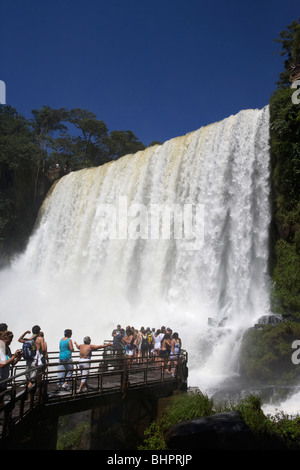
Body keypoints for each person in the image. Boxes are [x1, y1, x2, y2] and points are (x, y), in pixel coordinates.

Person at [0, 331, 22, 405]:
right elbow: (1, 365)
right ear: (3, 339)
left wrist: (18, 358)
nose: (10, 343)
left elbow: (12, 363)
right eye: (8, 341)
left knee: (1, 401)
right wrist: (13, 357)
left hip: (4, 378)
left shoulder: (7, 348)